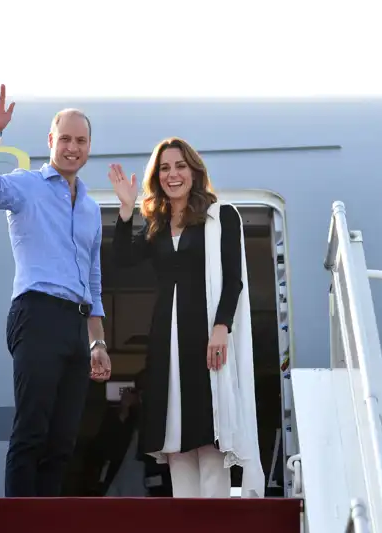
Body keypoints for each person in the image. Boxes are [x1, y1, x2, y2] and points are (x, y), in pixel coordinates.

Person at [0, 82, 112, 498]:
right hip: (36, 315)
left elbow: (94, 280)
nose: (72, 147)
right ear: (51, 141)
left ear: (89, 147)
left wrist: (98, 343)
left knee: (63, 439)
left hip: (76, 324)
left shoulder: (88, 205)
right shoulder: (28, 184)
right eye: (65, 138)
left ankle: (47, 520)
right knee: (32, 429)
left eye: (81, 140)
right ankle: (18, 522)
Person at [108, 137, 264, 498]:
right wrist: (127, 209)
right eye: (164, 167)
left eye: (179, 166)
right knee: (174, 439)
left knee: (209, 439)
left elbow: (233, 279)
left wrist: (221, 327)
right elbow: (122, 261)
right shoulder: (158, 224)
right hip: (166, 340)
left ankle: (215, 520)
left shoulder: (221, 215)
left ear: (194, 171)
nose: (172, 174)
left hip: (205, 337)